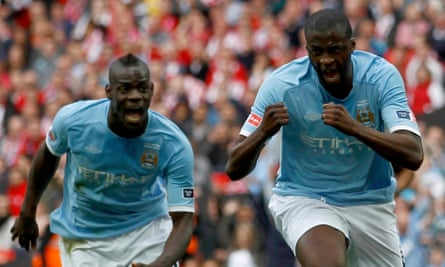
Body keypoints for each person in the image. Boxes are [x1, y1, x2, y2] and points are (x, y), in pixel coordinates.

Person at [225, 8, 424, 267]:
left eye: (334, 50)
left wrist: (356, 129)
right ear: (307, 51)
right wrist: (263, 132)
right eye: (317, 51)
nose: (326, 60)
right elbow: (233, 167)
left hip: (371, 202)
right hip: (306, 198)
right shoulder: (282, 85)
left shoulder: (381, 77)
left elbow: (413, 153)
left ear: (351, 46)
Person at [10, 53, 195, 267]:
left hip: (147, 231)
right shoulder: (74, 121)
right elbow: (48, 154)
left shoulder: (173, 143)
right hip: (85, 237)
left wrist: (159, 265)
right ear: (109, 91)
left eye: (142, 89)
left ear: (152, 90)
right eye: (125, 89)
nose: (135, 96)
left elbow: (183, 220)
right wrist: (27, 211)